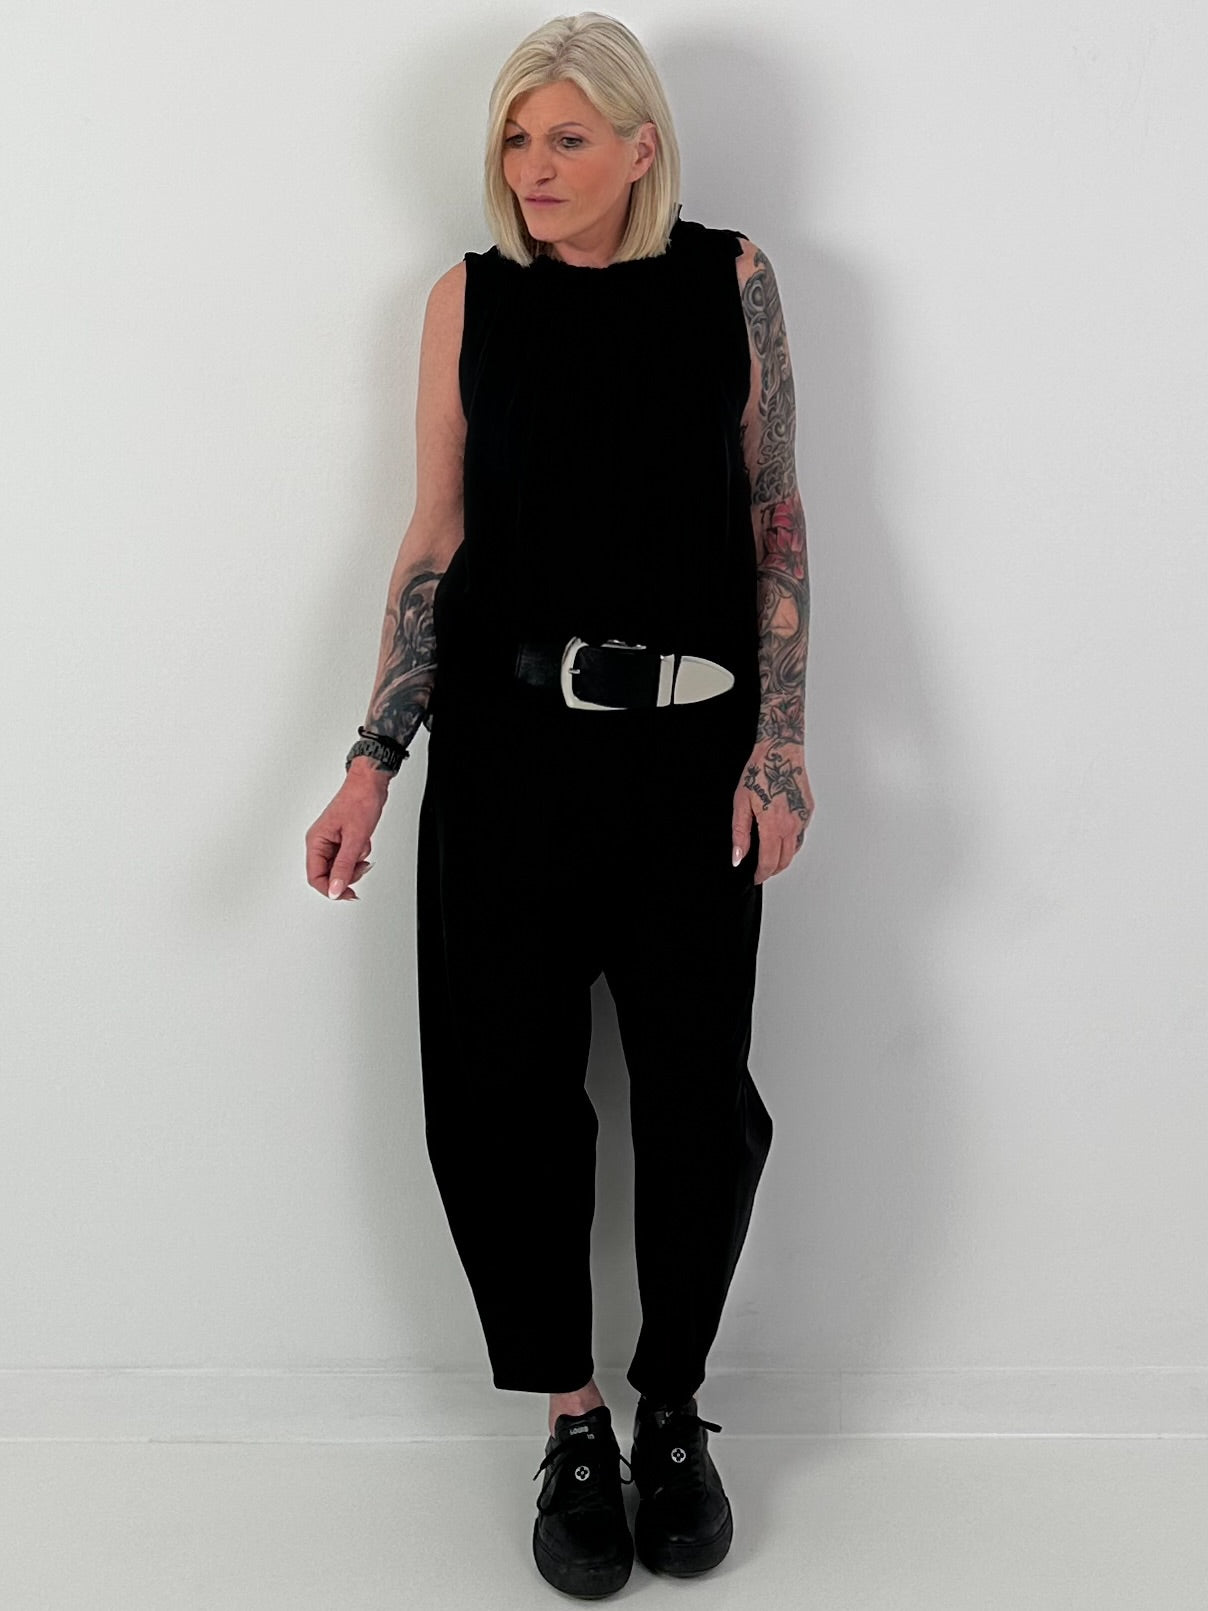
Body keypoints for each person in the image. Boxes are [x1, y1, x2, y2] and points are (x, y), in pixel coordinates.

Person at [305, 11, 813, 1598]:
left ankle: (676, 1411)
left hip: (689, 758)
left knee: (696, 1099)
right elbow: (436, 540)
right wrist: (375, 756)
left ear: (642, 147)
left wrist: (780, 746)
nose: (534, 167)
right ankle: (573, 1422)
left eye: (569, 138)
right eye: (519, 140)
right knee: (503, 1095)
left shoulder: (732, 280)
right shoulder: (470, 301)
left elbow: (774, 515)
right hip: (508, 755)